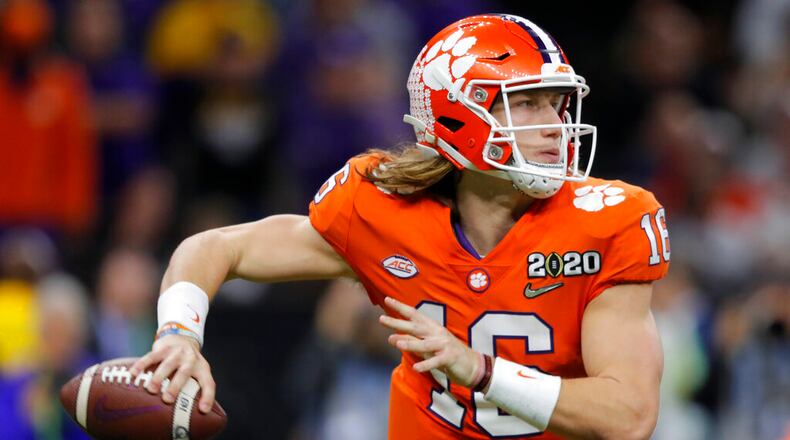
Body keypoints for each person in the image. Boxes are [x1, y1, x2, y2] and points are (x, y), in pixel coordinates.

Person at [131, 14, 670, 439]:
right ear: (458, 116)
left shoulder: (609, 221)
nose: (555, 126)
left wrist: (480, 370)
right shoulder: (381, 209)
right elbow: (216, 247)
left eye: (556, 103)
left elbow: (628, 416)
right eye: (526, 104)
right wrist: (179, 335)